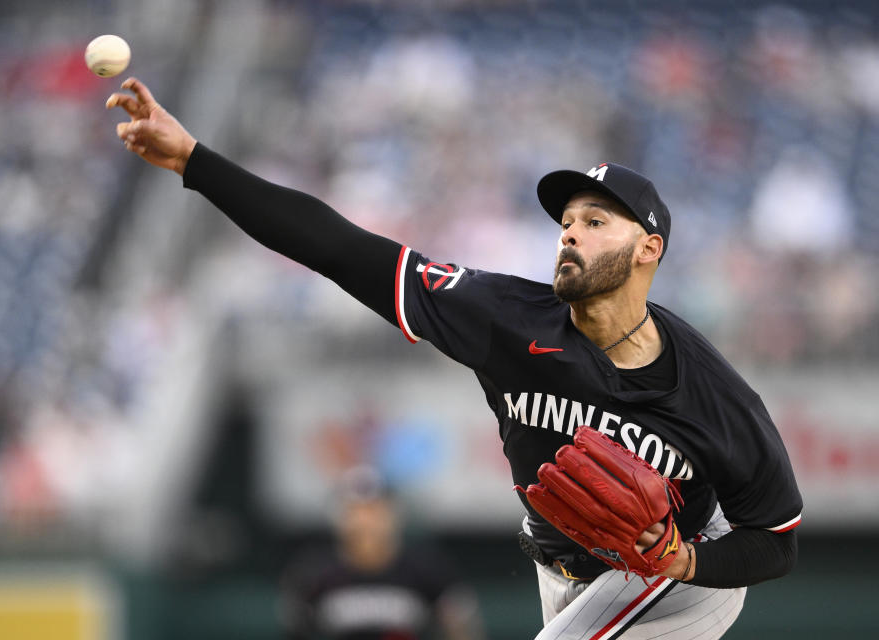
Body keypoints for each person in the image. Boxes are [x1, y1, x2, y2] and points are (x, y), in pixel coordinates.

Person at [106, 77, 802, 639]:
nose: (569, 236)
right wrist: (195, 161)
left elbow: (775, 540)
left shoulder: (712, 392)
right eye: (565, 223)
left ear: (648, 249)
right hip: (562, 574)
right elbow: (340, 248)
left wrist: (684, 560)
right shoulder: (504, 318)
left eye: (595, 222)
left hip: (676, 579)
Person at [279, 467, 484, 640]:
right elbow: (296, 627)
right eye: (356, 511)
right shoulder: (313, 573)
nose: (365, 521)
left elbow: (462, 628)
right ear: (339, 517)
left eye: (374, 510)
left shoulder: (429, 569)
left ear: (393, 514)